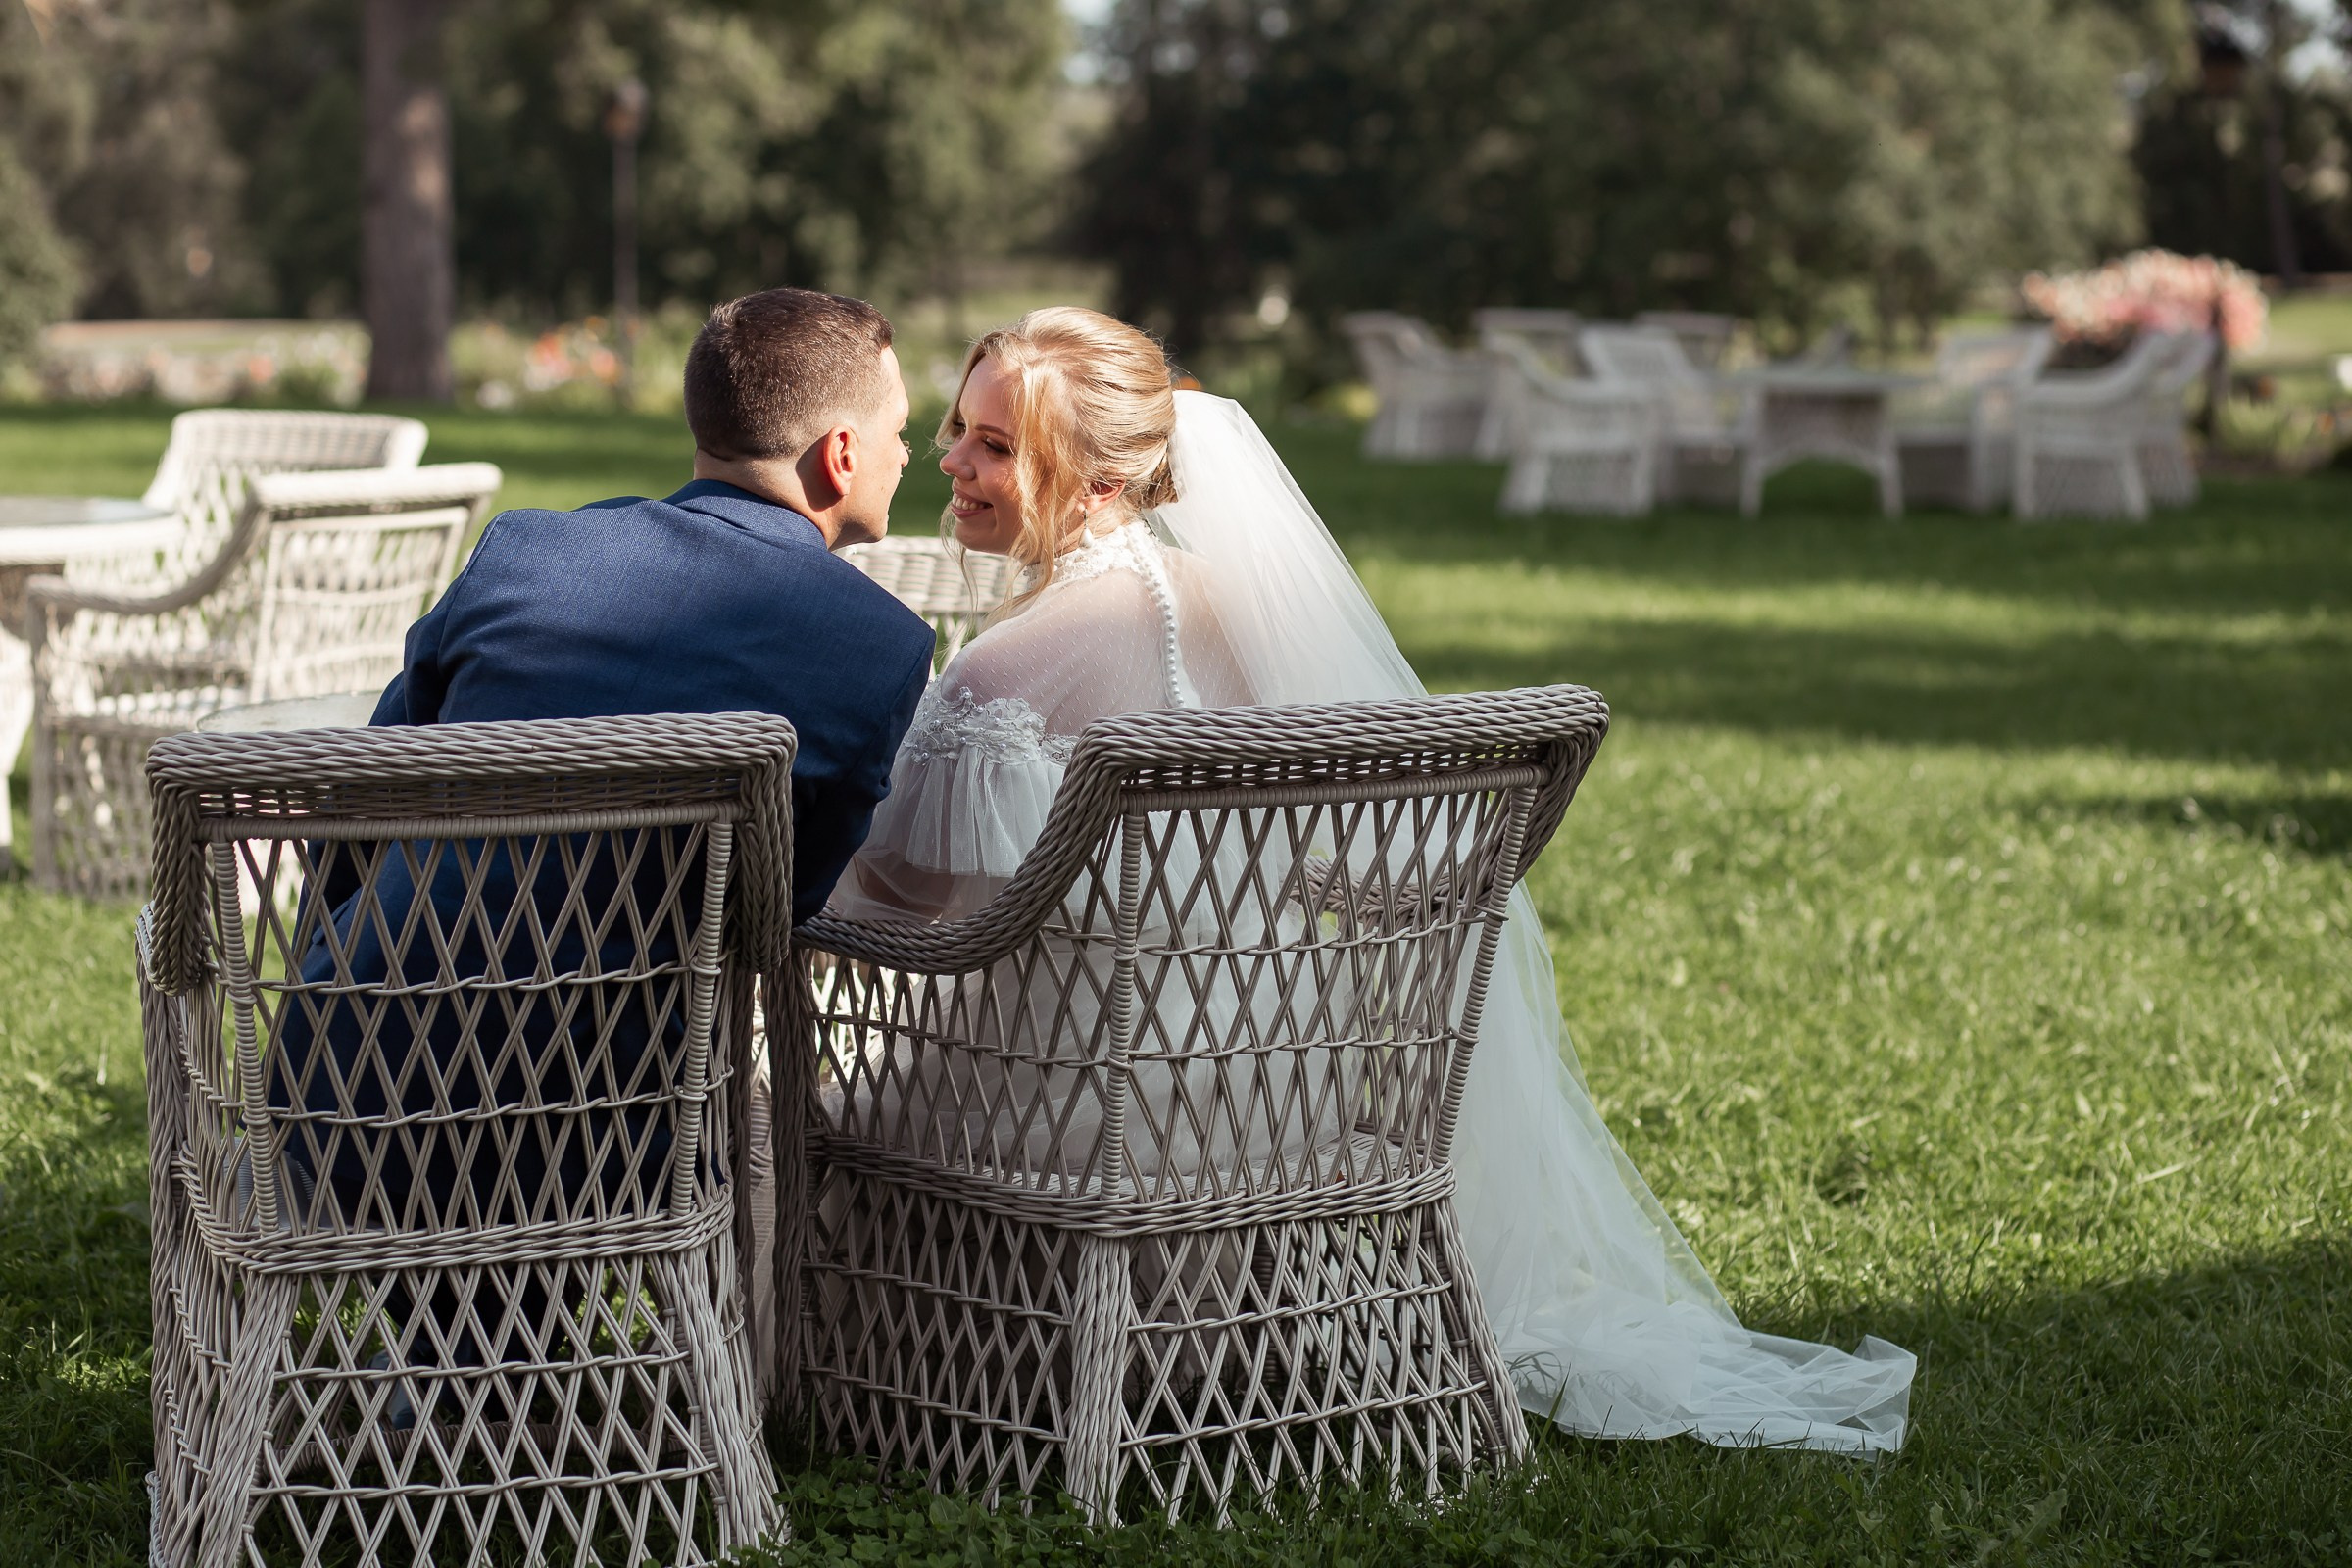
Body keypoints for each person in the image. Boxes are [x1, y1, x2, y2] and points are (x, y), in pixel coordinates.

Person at [829, 305, 1915, 1455]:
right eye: (956, 427)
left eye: (995, 445)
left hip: (1065, 1106)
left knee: (778, 1071)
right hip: (1276, 1091)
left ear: (1098, 482)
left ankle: (833, 1376)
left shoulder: (1008, 663)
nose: (952, 459)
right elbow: (1371, 872)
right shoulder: (1244, 614)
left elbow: (889, 908)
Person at [272, 292, 935, 1401]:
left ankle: (464, 1372)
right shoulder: (877, 647)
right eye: (905, 428)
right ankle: (491, 1376)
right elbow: (777, 916)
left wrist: (337, 968)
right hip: (622, 1133)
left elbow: (363, 795)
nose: (911, 451)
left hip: (349, 1088)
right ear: (842, 451)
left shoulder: (526, 552)